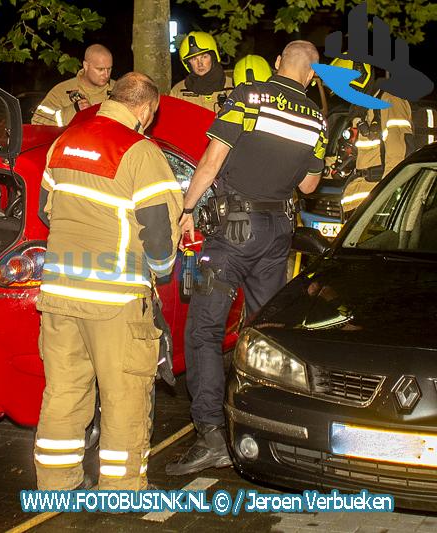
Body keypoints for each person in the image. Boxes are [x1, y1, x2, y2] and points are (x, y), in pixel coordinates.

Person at [165, 41, 327, 476]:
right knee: (261, 334)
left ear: (277, 62)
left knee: (203, 329)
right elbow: (310, 187)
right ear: (312, 75)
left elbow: (212, 159)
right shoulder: (316, 119)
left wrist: (185, 209)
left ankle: (211, 436)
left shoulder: (248, 97)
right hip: (279, 233)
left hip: (232, 228)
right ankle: (262, 429)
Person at [33, 72, 184, 491]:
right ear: (147, 109)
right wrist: (161, 266)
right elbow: (158, 231)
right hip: (115, 300)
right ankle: (121, 490)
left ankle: (55, 486)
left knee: (64, 392)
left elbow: (48, 211)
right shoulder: (140, 152)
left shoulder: (63, 143)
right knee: (125, 397)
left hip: (59, 293)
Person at [332, 59, 413, 213]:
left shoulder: (389, 100)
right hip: (360, 207)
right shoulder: (361, 112)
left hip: (379, 207)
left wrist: (387, 198)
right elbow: (352, 157)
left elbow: (398, 155)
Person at [31, 44, 115, 127]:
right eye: (100, 69)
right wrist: (74, 110)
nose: (106, 74)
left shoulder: (118, 89)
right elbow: (37, 121)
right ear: (86, 66)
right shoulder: (62, 91)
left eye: (109, 69)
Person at [170, 31, 233, 112]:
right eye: (194, 59)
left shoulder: (233, 88)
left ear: (213, 57)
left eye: (204, 57)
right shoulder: (178, 92)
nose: (200, 64)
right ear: (188, 64)